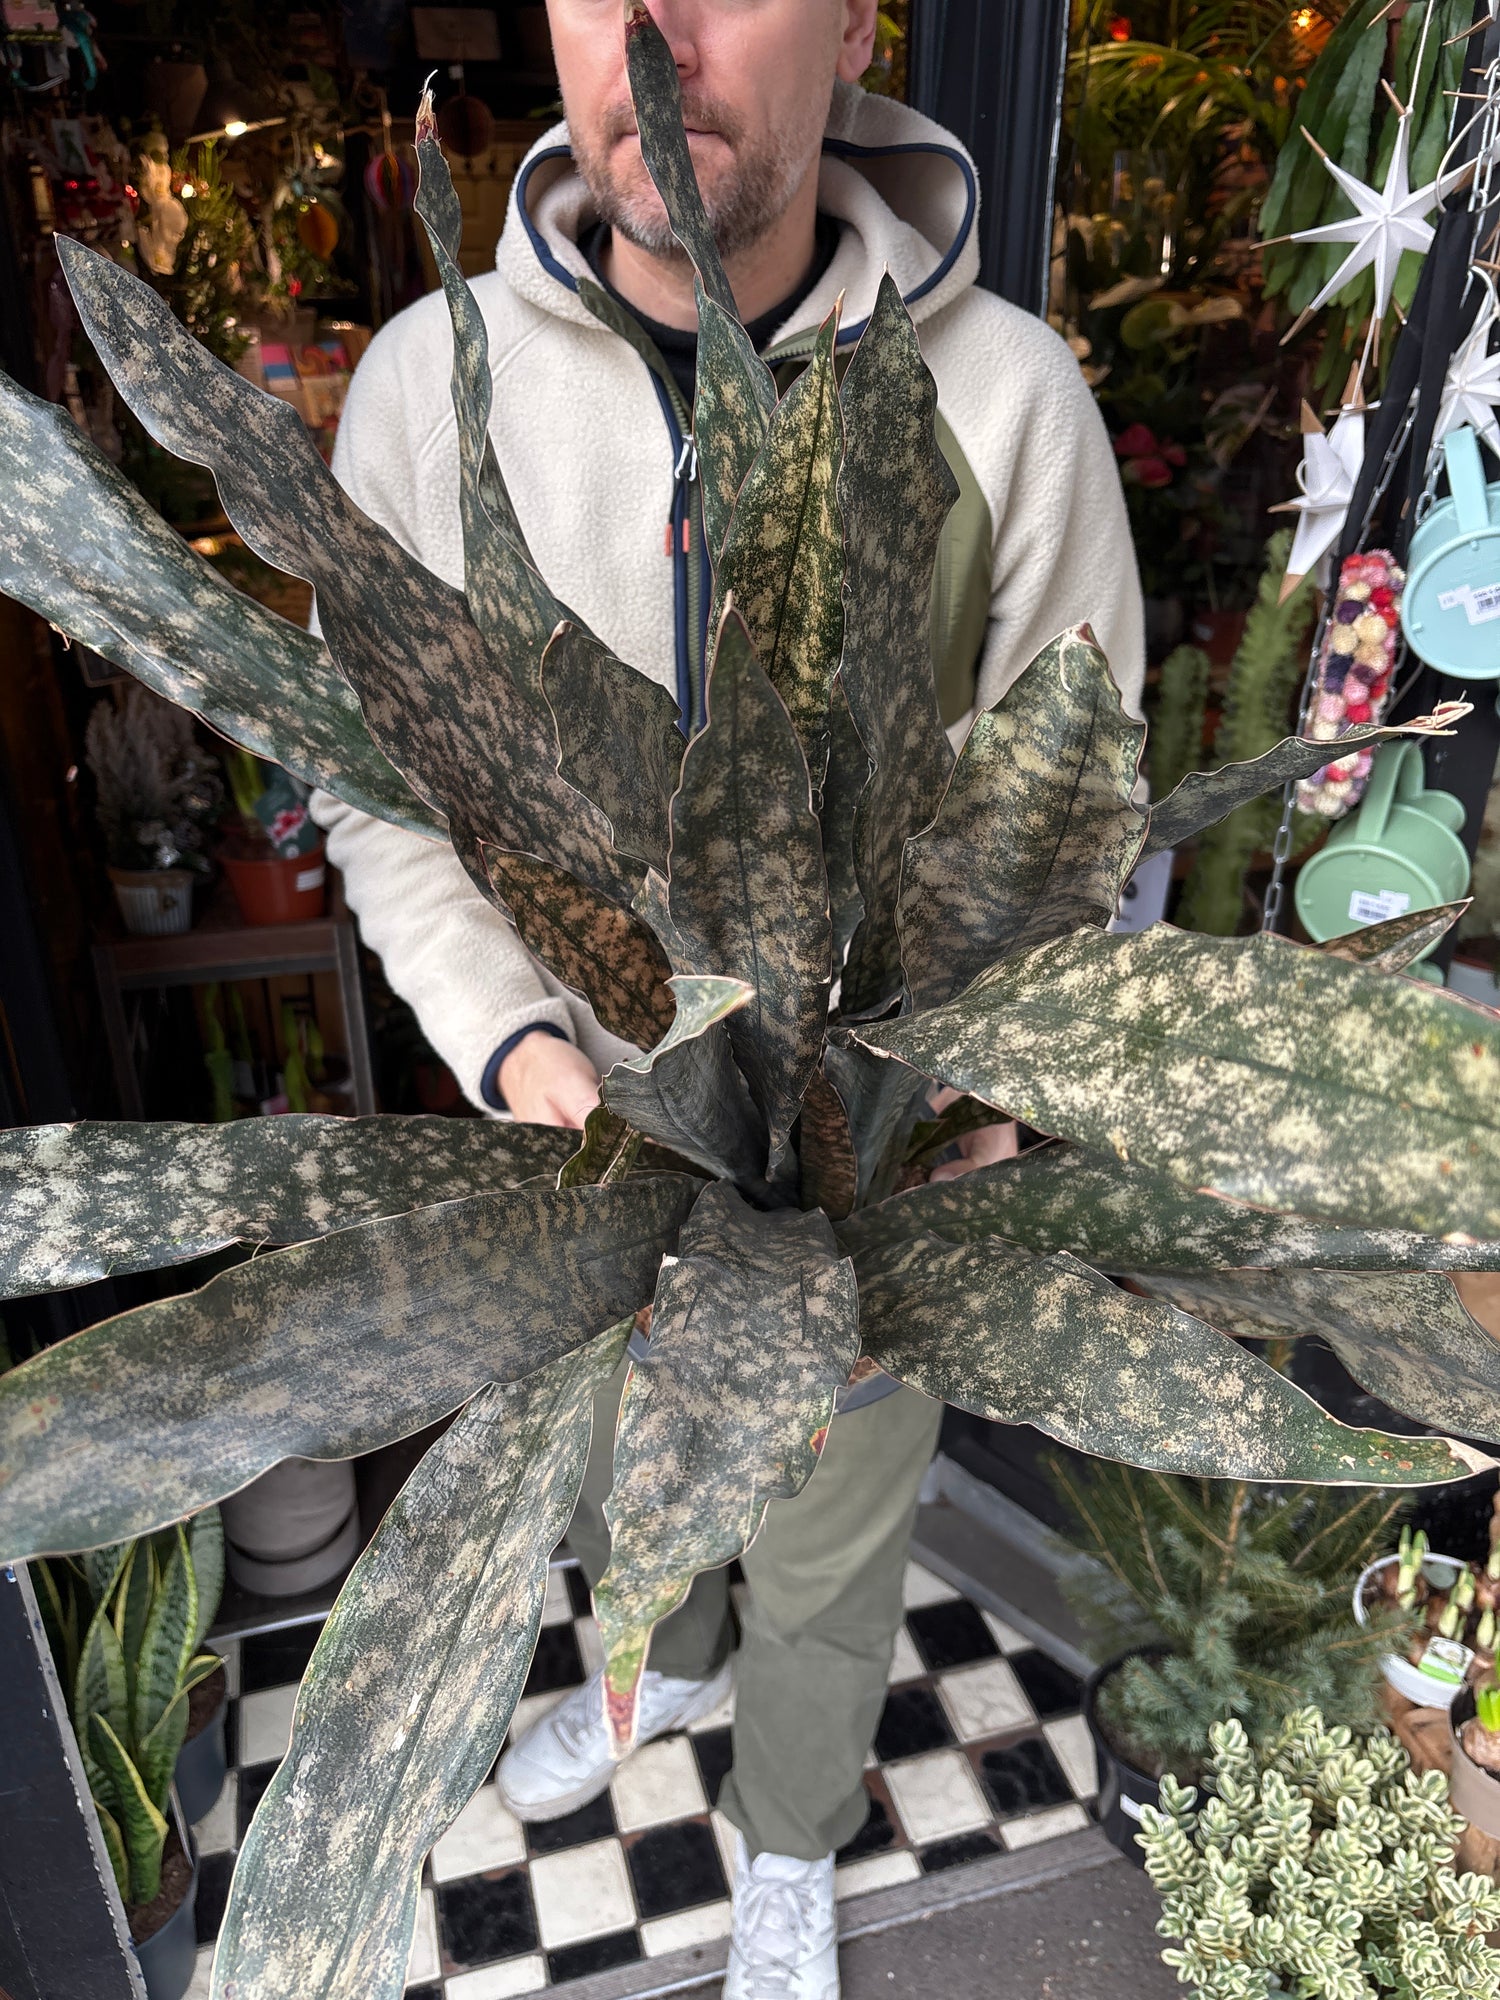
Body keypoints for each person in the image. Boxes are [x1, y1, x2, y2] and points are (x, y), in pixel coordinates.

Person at [313, 3, 1143, 1992]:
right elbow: (378, 785)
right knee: (630, 1476)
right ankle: (653, 1683)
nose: (656, 28)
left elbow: (1072, 812)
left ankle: (789, 1837)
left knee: (835, 1539)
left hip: (869, 1174)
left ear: (860, 23)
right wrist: (522, 1052)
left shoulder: (1007, 399)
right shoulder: (435, 391)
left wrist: (974, 1116)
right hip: (587, 1154)